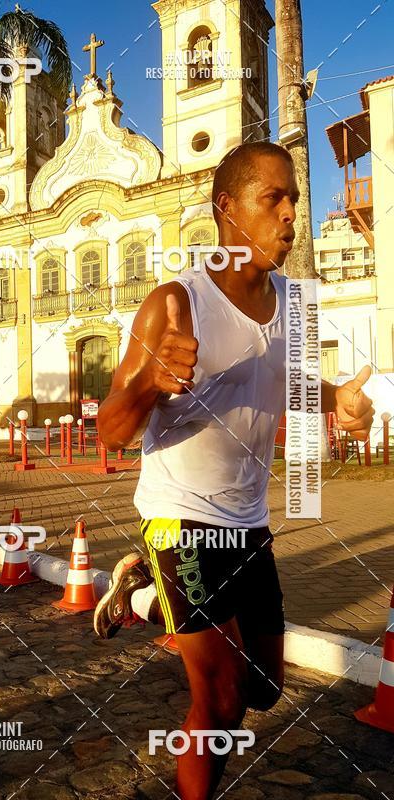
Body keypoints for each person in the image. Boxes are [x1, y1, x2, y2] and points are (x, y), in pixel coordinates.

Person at [94, 141, 375, 800]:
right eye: (272, 198)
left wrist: (343, 404)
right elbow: (110, 428)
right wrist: (146, 388)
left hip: (247, 521)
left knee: (265, 689)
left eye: (294, 200)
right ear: (227, 207)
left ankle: (139, 596)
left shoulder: (294, 305)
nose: (289, 216)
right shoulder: (175, 304)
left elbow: (296, 385)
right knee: (219, 709)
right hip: (180, 518)